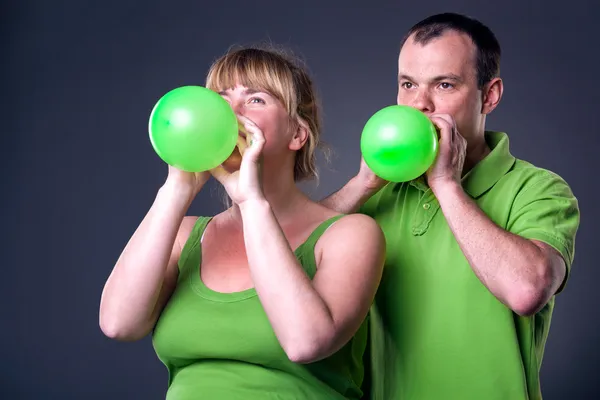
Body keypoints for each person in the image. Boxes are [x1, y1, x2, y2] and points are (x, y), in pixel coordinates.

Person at [99, 45, 386, 399]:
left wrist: (251, 202)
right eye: (220, 98)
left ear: (298, 134)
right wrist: (177, 186)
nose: (229, 113)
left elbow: (305, 342)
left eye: (255, 100)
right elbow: (118, 323)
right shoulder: (187, 235)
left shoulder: (350, 234)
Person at [321, 12, 580, 400]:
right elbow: (288, 261)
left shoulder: (539, 189)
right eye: (408, 84)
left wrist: (446, 185)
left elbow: (527, 290)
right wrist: (361, 185)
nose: (419, 104)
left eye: (444, 84)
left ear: (489, 95)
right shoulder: (375, 193)